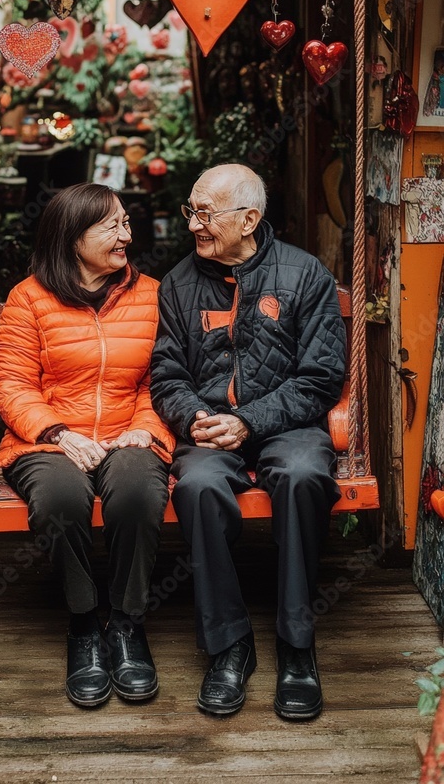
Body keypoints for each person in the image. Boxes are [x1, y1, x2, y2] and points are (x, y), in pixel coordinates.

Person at [150, 164, 346, 720]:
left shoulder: (305, 276)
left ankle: (297, 644)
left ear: (249, 219)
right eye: (192, 212)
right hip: (209, 430)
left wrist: (250, 420)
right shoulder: (179, 284)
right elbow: (166, 375)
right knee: (199, 485)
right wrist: (193, 418)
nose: (194, 225)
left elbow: (320, 378)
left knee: (305, 475)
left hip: (288, 424)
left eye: (205, 214)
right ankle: (228, 644)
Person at [0, 183, 175, 708]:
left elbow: (161, 379)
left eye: (126, 223)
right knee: (60, 499)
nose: (127, 235)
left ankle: (126, 623)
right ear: (73, 237)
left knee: (140, 491)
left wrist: (145, 427)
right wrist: (57, 433)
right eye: (113, 225)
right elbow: (12, 384)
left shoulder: (151, 294)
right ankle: (83, 625)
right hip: (47, 441)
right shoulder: (29, 298)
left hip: (130, 433)